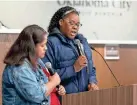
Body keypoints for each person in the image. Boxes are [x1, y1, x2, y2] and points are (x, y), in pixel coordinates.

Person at [2, 24, 65, 105]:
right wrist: (53, 83)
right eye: (42, 45)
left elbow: (43, 85)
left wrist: (55, 88)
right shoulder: (19, 68)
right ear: (31, 46)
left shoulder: (37, 61)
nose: (46, 48)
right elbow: (36, 95)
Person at [42, 6, 99, 94]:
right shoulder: (50, 43)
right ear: (61, 22)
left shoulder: (82, 42)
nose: (75, 27)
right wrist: (73, 68)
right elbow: (46, 75)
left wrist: (92, 82)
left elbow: (91, 69)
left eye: (77, 24)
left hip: (86, 97)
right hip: (63, 99)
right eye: (71, 23)